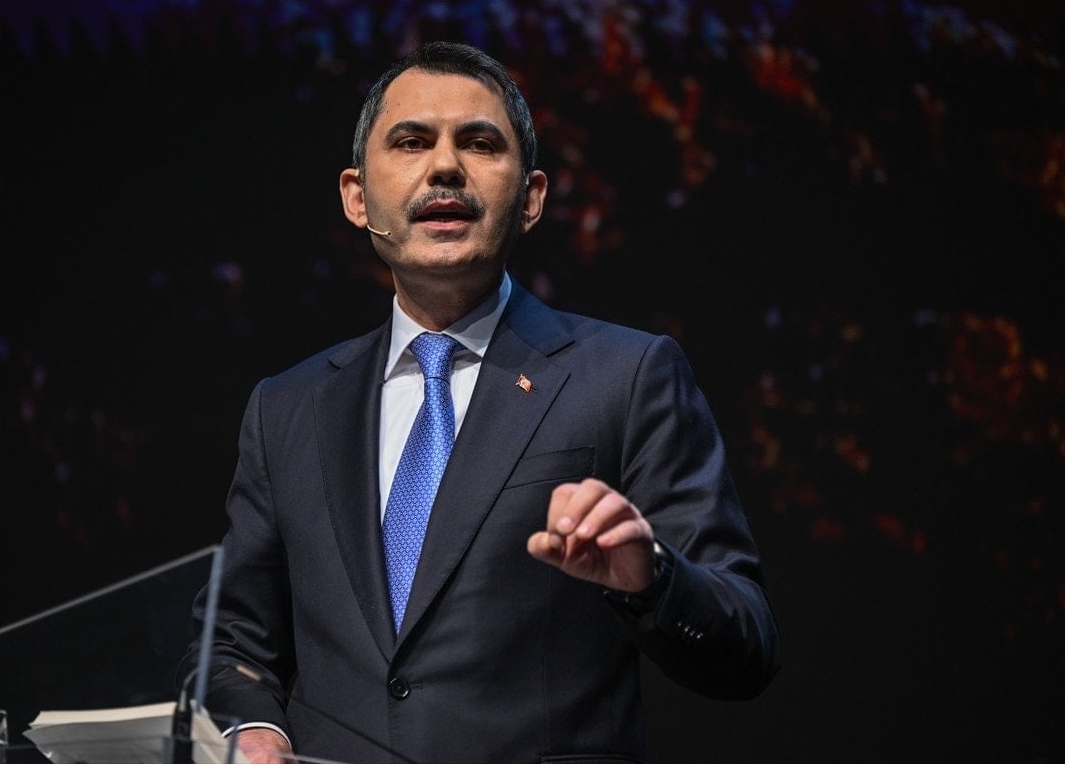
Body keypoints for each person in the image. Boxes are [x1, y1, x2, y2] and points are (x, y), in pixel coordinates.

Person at [179, 41, 780, 764]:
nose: (444, 167)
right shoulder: (287, 408)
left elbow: (745, 642)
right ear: (357, 196)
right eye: (410, 142)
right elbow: (233, 644)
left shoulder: (627, 376)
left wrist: (650, 577)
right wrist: (253, 728)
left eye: (479, 143)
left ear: (530, 199)